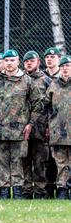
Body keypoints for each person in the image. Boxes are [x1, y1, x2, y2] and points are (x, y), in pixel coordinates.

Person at [0, 49, 42, 199]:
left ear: (18, 62)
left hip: (20, 130)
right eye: (7, 60)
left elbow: (37, 103)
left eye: (12, 60)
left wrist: (30, 123)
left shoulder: (27, 80)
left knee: (18, 162)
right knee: (2, 161)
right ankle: (3, 191)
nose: (9, 63)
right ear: (3, 62)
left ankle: (18, 192)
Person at [22, 51, 51, 199]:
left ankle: (40, 192)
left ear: (38, 62)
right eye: (26, 61)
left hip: (40, 128)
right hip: (22, 128)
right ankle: (26, 191)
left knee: (40, 162)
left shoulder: (46, 80)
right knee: (24, 161)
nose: (28, 63)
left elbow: (51, 105)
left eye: (31, 61)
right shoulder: (20, 79)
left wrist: (48, 127)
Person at [44, 55, 71, 199]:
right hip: (58, 133)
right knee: (61, 163)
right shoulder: (53, 85)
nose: (65, 69)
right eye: (63, 66)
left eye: (68, 66)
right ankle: (62, 190)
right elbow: (45, 105)